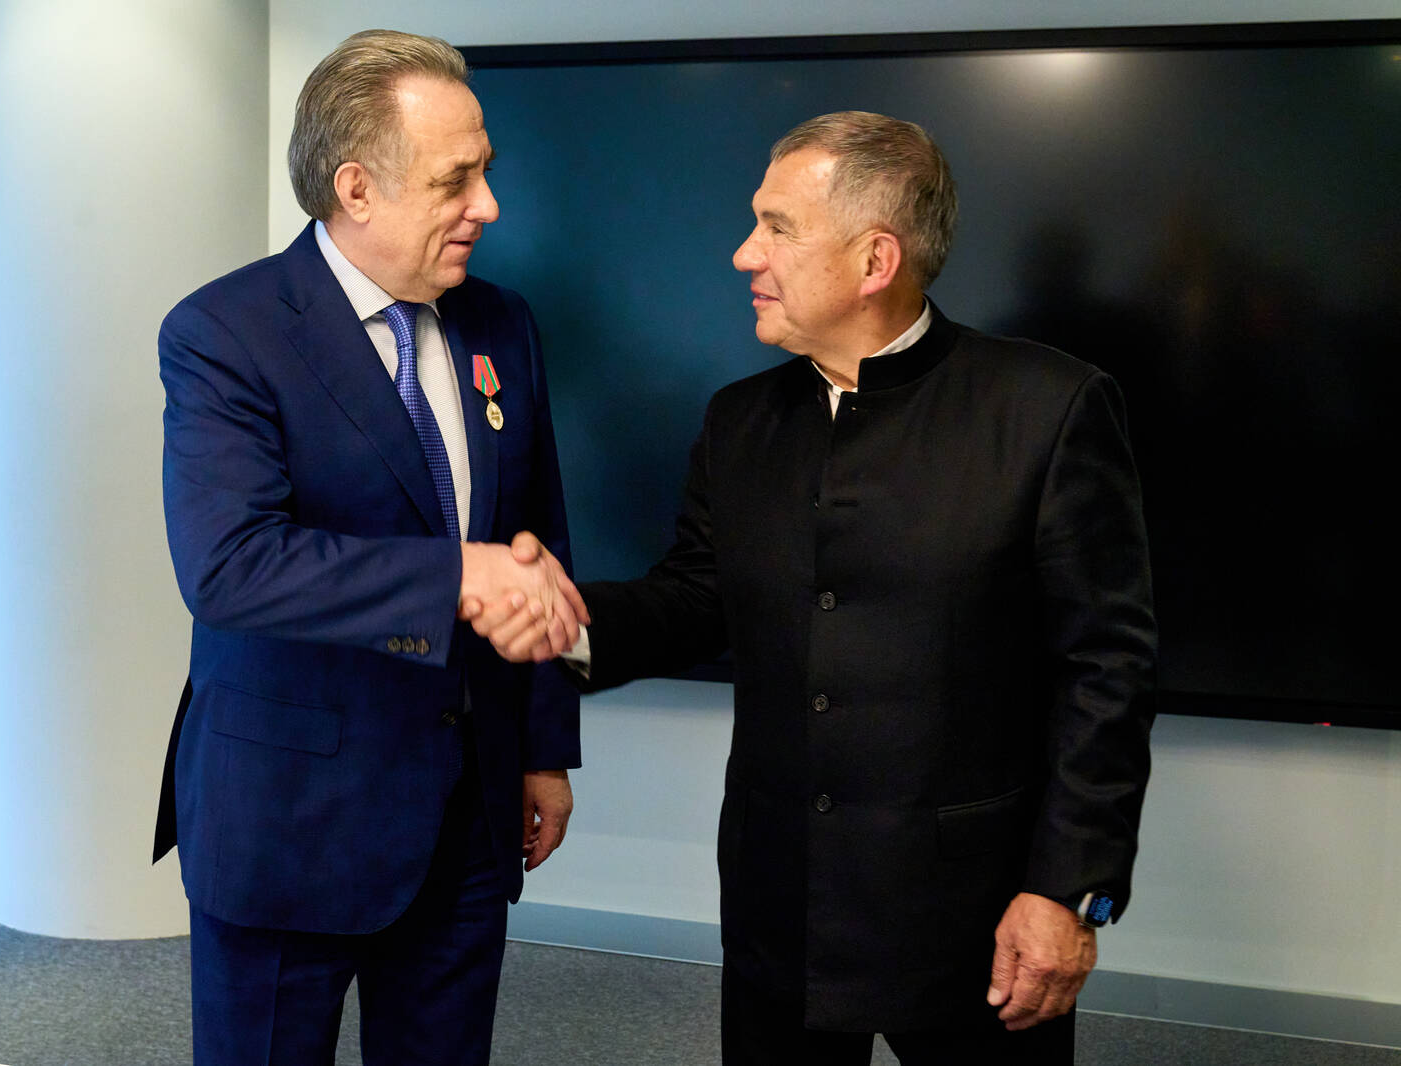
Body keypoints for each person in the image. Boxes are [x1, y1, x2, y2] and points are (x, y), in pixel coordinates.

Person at [466, 112, 1158, 1064]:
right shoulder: (740, 420)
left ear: (876, 260)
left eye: (777, 227)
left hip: (977, 913)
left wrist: (1065, 891)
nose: (745, 252)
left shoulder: (1048, 408)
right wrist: (563, 620)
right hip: (780, 902)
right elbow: (695, 599)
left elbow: (1106, 672)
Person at [152, 29, 588, 1066]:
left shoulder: (502, 325)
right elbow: (230, 566)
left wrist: (543, 747)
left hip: (468, 815)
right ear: (355, 187)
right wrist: (456, 575)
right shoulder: (226, 332)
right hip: (287, 821)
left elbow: (539, 545)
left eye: (485, 171)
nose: (488, 206)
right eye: (455, 180)